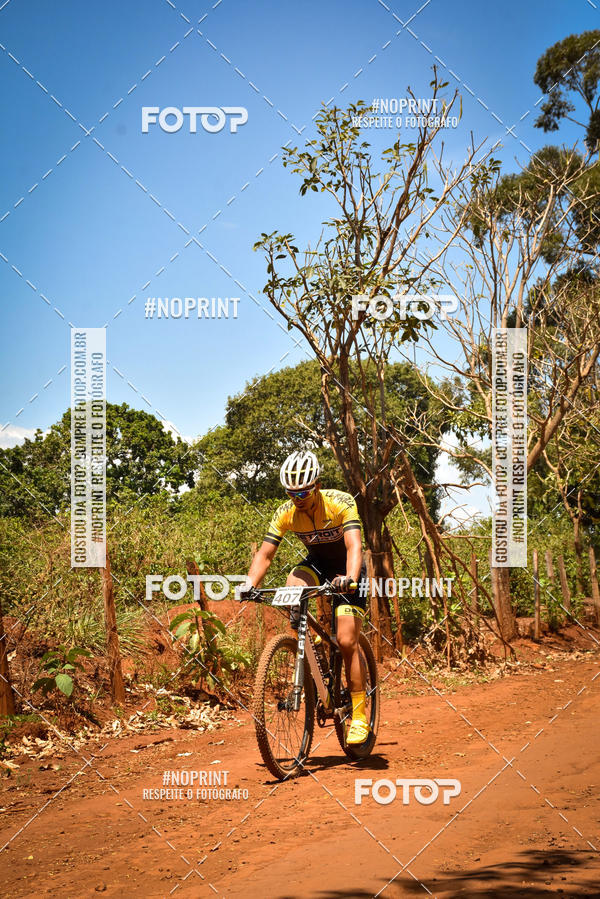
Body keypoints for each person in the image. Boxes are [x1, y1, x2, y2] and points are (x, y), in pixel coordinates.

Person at [240, 449, 370, 745]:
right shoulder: (285, 513)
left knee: (348, 640)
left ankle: (360, 715)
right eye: (292, 494)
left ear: (318, 486)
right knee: (290, 589)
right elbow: (266, 553)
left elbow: (353, 545)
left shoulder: (340, 503)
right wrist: (249, 583)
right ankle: (311, 643)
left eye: (304, 493)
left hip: (349, 569)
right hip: (318, 565)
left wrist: (349, 579)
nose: (298, 499)